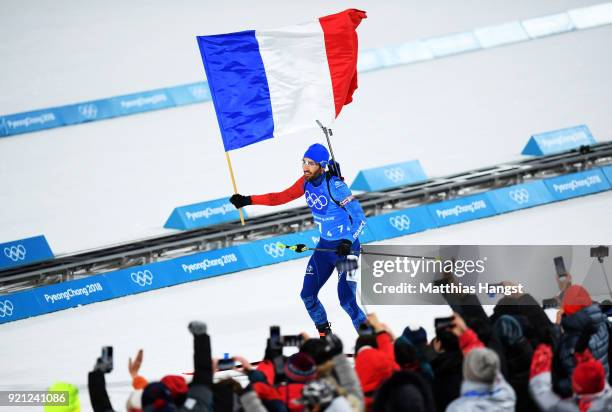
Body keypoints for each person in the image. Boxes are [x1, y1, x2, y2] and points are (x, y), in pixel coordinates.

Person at [230, 143, 368, 336]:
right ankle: (325, 336)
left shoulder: (336, 186)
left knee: (347, 300)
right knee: (308, 296)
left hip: (347, 251)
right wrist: (248, 200)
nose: (305, 167)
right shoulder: (305, 182)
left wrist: (347, 240)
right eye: (303, 162)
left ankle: (370, 341)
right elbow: (280, 197)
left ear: (322, 165)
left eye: (310, 163)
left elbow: (360, 218)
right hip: (324, 249)